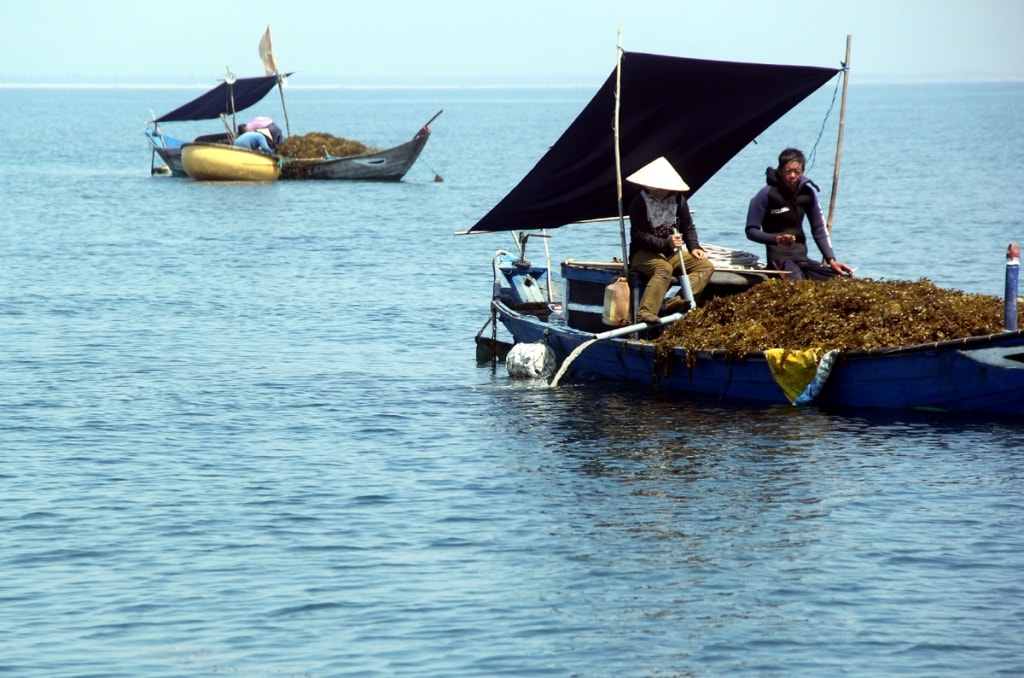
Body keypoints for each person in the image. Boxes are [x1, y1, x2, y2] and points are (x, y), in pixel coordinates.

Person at [627, 156, 715, 324]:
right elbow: (640, 235)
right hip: (643, 253)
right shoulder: (639, 202)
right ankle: (645, 312)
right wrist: (666, 243)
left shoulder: (679, 200)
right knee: (664, 269)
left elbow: (687, 226)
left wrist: (694, 247)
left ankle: (675, 301)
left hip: (671, 253)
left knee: (705, 266)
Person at [745, 148, 854, 280]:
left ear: (802, 172)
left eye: (797, 171)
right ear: (780, 171)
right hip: (779, 259)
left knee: (843, 279)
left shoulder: (807, 194)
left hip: (802, 259)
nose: (792, 175)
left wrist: (831, 260)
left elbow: (819, 228)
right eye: (788, 171)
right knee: (798, 285)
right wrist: (776, 239)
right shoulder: (766, 194)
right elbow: (751, 230)